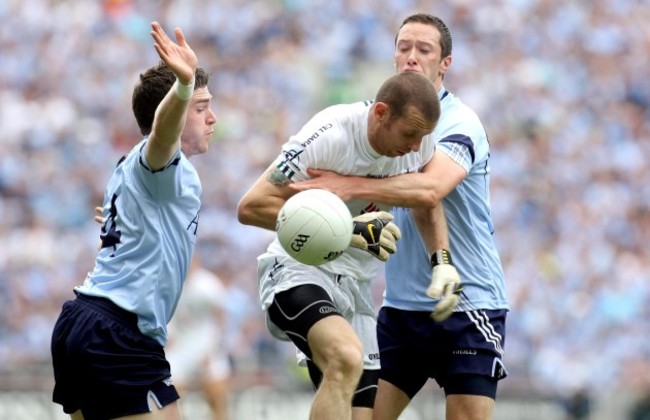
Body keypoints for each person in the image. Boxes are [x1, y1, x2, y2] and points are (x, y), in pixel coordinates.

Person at [290, 13, 508, 420]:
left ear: (445, 63)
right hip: (401, 305)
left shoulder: (461, 122)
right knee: (365, 415)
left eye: (424, 50)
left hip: (466, 298)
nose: (411, 57)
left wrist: (348, 186)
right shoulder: (379, 119)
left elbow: (429, 190)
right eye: (404, 47)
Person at [237, 71, 441, 420]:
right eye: (409, 134)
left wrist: (442, 261)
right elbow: (251, 206)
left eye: (422, 138)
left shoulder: (418, 147)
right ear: (380, 113)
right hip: (299, 271)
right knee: (346, 357)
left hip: (357, 289)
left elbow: (426, 199)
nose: (414, 147)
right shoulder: (329, 134)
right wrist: (348, 230)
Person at [50, 21, 217, 420]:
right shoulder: (160, 163)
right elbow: (163, 138)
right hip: (118, 334)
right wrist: (182, 86)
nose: (212, 117)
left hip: (85, 321)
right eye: (201, 107)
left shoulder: (132, 169)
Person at [165, 255, 231, 420]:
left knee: (217, 396)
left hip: (207, 347)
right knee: (171, 398)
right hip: (181, 348)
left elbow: (221, 318)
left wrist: (213, 347)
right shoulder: (170, 283)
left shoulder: (208, 285)